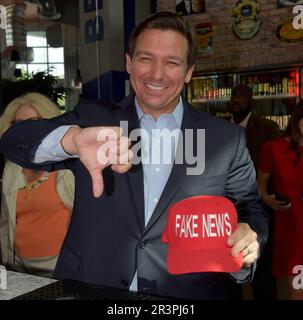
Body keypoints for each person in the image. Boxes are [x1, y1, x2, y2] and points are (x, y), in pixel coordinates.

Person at [0, 12, 267, 299]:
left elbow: (250, 209)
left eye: (172, 62)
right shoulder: (93, 118)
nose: (156, 73)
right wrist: (72, 139)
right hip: (91, 289)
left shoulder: (225, 139)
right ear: (129, 62)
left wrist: (249, 238)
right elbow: (14, 140)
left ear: (189, 71)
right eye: (146, 58)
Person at [0, 93, 75, 277]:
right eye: (18, 124)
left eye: (33, 121)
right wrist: (6, 270)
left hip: (60, 268)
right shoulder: (11, 169)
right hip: (19, 268)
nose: (26, 130)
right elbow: (5, 223)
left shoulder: (68, 169)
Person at [229, 84, 280, 300]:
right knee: (228, 268)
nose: (236, 100)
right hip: (226, 209)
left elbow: (277, 167)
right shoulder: (219, 129)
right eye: (234, 96)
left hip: (261, 205)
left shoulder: (267, 127)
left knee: (262, 270)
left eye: (241, 97)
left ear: (251, 100)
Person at [258, 101, 303, 300]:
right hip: (293, 229)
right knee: (298, 291)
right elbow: (260, 186)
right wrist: (268, 199)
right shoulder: (273, 148)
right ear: (298, 119)